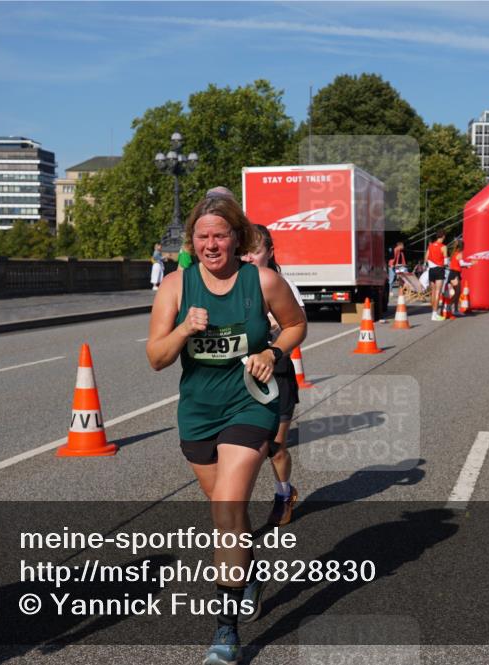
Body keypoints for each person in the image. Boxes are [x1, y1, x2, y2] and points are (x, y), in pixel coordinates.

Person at [146, 193, 307, 665]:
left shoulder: (262, 280)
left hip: (249, 405)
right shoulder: (176, 286)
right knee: (229, 521)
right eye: (202, 236)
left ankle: (225, 631)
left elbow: (296, 325)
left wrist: (272, 353)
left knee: (226, 509)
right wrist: (181, 331)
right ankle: (248, 572)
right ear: (191, 241)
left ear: (237, 238)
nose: (211, 244)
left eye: (220, 235)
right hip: (197, 412)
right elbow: (156, 358)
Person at [241, 225, 305, 528]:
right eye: (244, 250)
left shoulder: (281, 285)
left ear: (269, 251)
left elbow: (295, 328)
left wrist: (269, 329)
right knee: (244, 447)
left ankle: (283, 493)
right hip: (239, 374)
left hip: (276, 373)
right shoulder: (232, 284)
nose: (249, 256)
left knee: (276, 447)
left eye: (255, 250)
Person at [446, 239, 473, 316]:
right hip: (455, 274)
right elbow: (461, 263)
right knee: (457, 292)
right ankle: (449, 307)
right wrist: (470, 263)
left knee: (457, 292)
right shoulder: (459, 253)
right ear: (462, 247)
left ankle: (454, 309)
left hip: (455, 273)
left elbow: (458, 264)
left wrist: (467, 266)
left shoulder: (454, 253)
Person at [426, 229, 448, 321]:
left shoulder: (430, 246)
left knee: (433, 292)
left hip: (431, 270)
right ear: (443, 236)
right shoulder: (443, 247)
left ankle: (433, 313)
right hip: (439, 269)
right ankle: (434, 314)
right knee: (438, 292)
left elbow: (426, 257)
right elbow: (446, 261)